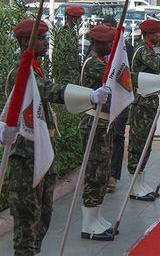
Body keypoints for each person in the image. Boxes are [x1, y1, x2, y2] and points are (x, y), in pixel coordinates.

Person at [3, 19, 109, 255]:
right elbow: (47, 89)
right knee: (26, 222)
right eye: (40, 38)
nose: (46, 42)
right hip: (26, 158)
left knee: (43, 217)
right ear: (24, 41)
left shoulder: (35, 69)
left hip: (42, 154)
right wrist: (88, 95)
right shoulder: (19, 73)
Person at [78, 24, 120, 241]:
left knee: (102, 172)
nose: (111, 46)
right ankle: (88, 223)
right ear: (98, 43)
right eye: (108, 43)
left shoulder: (100, 61)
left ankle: (96, 216)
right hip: (95, 123)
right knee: (95, 174)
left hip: (103, 124)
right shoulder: (94, 63)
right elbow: (116, 79)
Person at [127, 19, 160, 201]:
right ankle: (134, 186)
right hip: (141, 105)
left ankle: (140, 183)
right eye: (157, 33)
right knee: (138, 146)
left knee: (146, 146)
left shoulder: (146, 49)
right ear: (148, 34)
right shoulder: (143, 51)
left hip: (149, 103)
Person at [99, 17, 134, 192]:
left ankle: (113, 175)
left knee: (118, 136)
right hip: (101, 102)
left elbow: (129, 74)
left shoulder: (127, 48)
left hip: (119, 99)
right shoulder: (97, 47)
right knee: (102, 137)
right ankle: (100, 174)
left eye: (112, 29)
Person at [52, 5, 85, 84]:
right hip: (65, 77)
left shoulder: (71, 33)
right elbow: (60, 58)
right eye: (79, 17)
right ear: (72, 18)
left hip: (72, 75)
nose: (80, 20)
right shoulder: (64, 34)